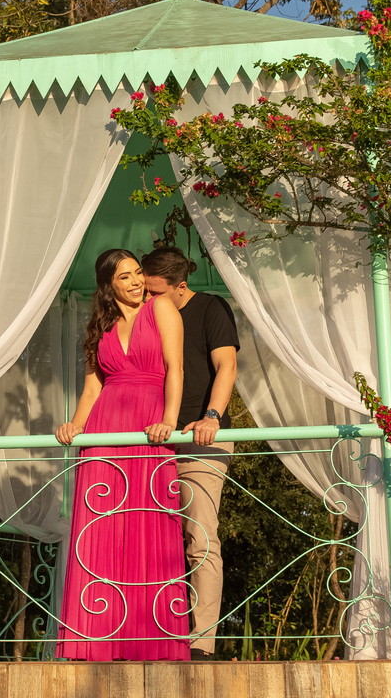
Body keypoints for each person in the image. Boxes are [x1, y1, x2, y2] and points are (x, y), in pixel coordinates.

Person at [54, 249, 190, 661]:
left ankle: (151, 640)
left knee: (149, 523)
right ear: (108, 285)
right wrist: (75, 425)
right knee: (100, 527)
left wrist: (168, 419)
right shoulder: (100, 325)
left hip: (151, 424)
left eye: (137, 274)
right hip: (105, 429)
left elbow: (175, 368)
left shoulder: (162, 307)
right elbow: (93, 388)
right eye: (125, 277)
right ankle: (94, 640)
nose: (135, 282)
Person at [141, 246, 239, 661]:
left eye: (154, 292)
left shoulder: (211, 309)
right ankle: (148, 635)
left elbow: (227, 367)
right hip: (149, 440)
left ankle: (201, 643)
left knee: (200, 538)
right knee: (148, 539)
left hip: (201, 440)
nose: (146, 299)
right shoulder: (145, 313)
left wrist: (212, 416)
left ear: (180, 287)